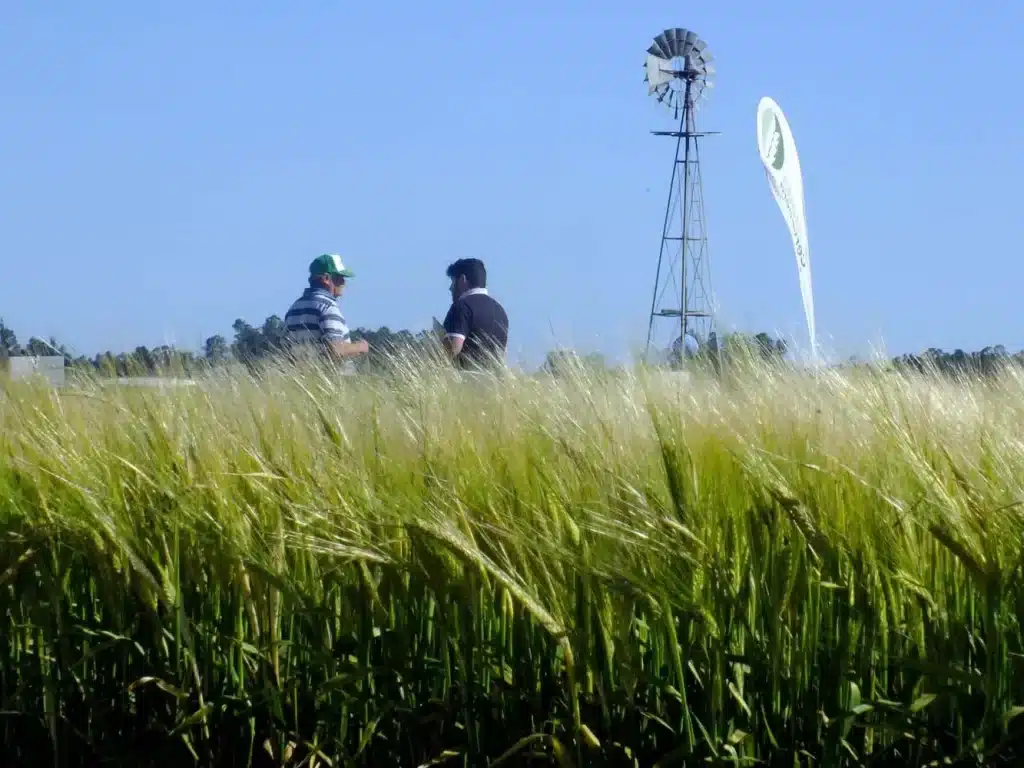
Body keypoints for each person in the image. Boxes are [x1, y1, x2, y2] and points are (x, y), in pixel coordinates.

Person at [284, 253, 369, 366]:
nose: (343, 282)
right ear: (326, 279)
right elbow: (335, 350)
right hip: (333, 379)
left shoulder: (293, 309)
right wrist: (361, 346)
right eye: (339, 277)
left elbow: (287, 352)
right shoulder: (328, 307)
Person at [441, 258, 508, 371]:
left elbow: (452, 350)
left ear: (462, 280)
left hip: (465, 381)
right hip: (495, 383)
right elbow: (503, 355)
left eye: (453, 281)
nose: (450, 288)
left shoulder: (461, 307)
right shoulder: (500, 311)